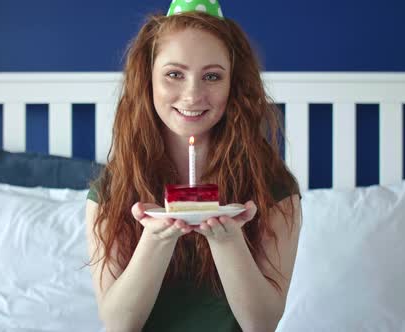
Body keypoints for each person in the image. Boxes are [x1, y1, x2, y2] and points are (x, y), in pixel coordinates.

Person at [85, 1, 302, 331]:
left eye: (212, 76)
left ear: (234, 85)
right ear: (148, 80)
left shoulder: (273, 189)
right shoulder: (112, 190)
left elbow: (262, 323)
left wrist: (228, 241)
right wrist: (157, 239)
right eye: (174, 74)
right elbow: (117, 324)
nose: (192, 95)